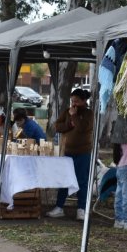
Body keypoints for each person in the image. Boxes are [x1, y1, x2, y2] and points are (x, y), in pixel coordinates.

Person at [46, 88, 93, 221]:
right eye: (72, 101)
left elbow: (82, 127)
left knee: (81, 181)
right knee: (64, 179)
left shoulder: (89, 113)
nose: (73, 104)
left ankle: (81, 209)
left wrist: (74, 117)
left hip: (83, 152)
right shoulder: (67, 111)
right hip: (67, 151)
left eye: (76, 101)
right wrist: (69, 123)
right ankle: (59, 207)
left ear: (84, 101)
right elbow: (57, 126)